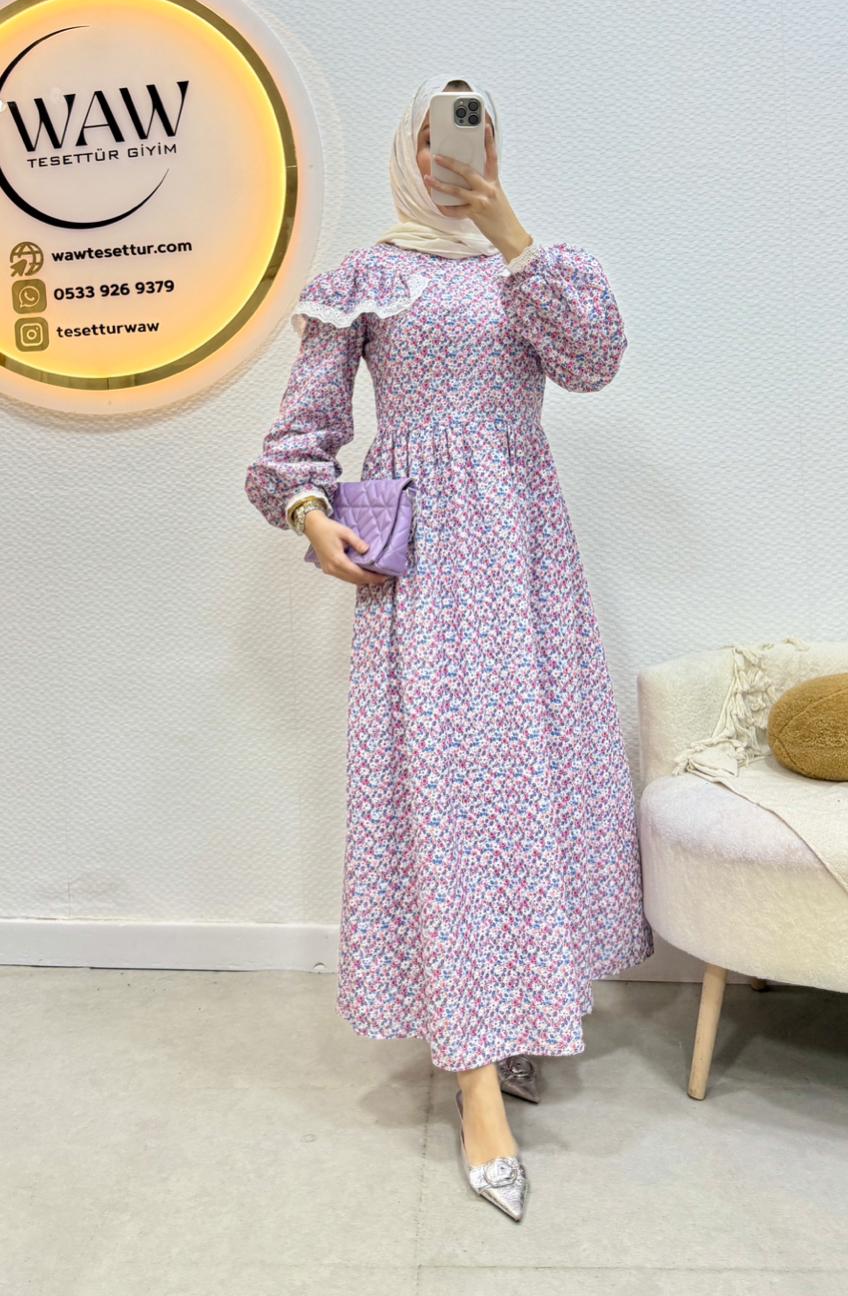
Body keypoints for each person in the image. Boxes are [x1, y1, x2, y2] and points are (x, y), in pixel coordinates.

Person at [245, 73, 654, 1221]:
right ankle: (476, 1083)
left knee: (529, 793)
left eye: (470, 135)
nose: (449, 156)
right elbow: (299, 439)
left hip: (528, 562)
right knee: (450, 801)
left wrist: (512, 231)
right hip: (425, 572)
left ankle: (514, 1018)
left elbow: (596, 360)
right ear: (406, 148)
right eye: (433, 136)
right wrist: (309, 515)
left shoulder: (530, 272)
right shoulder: (367, 278)